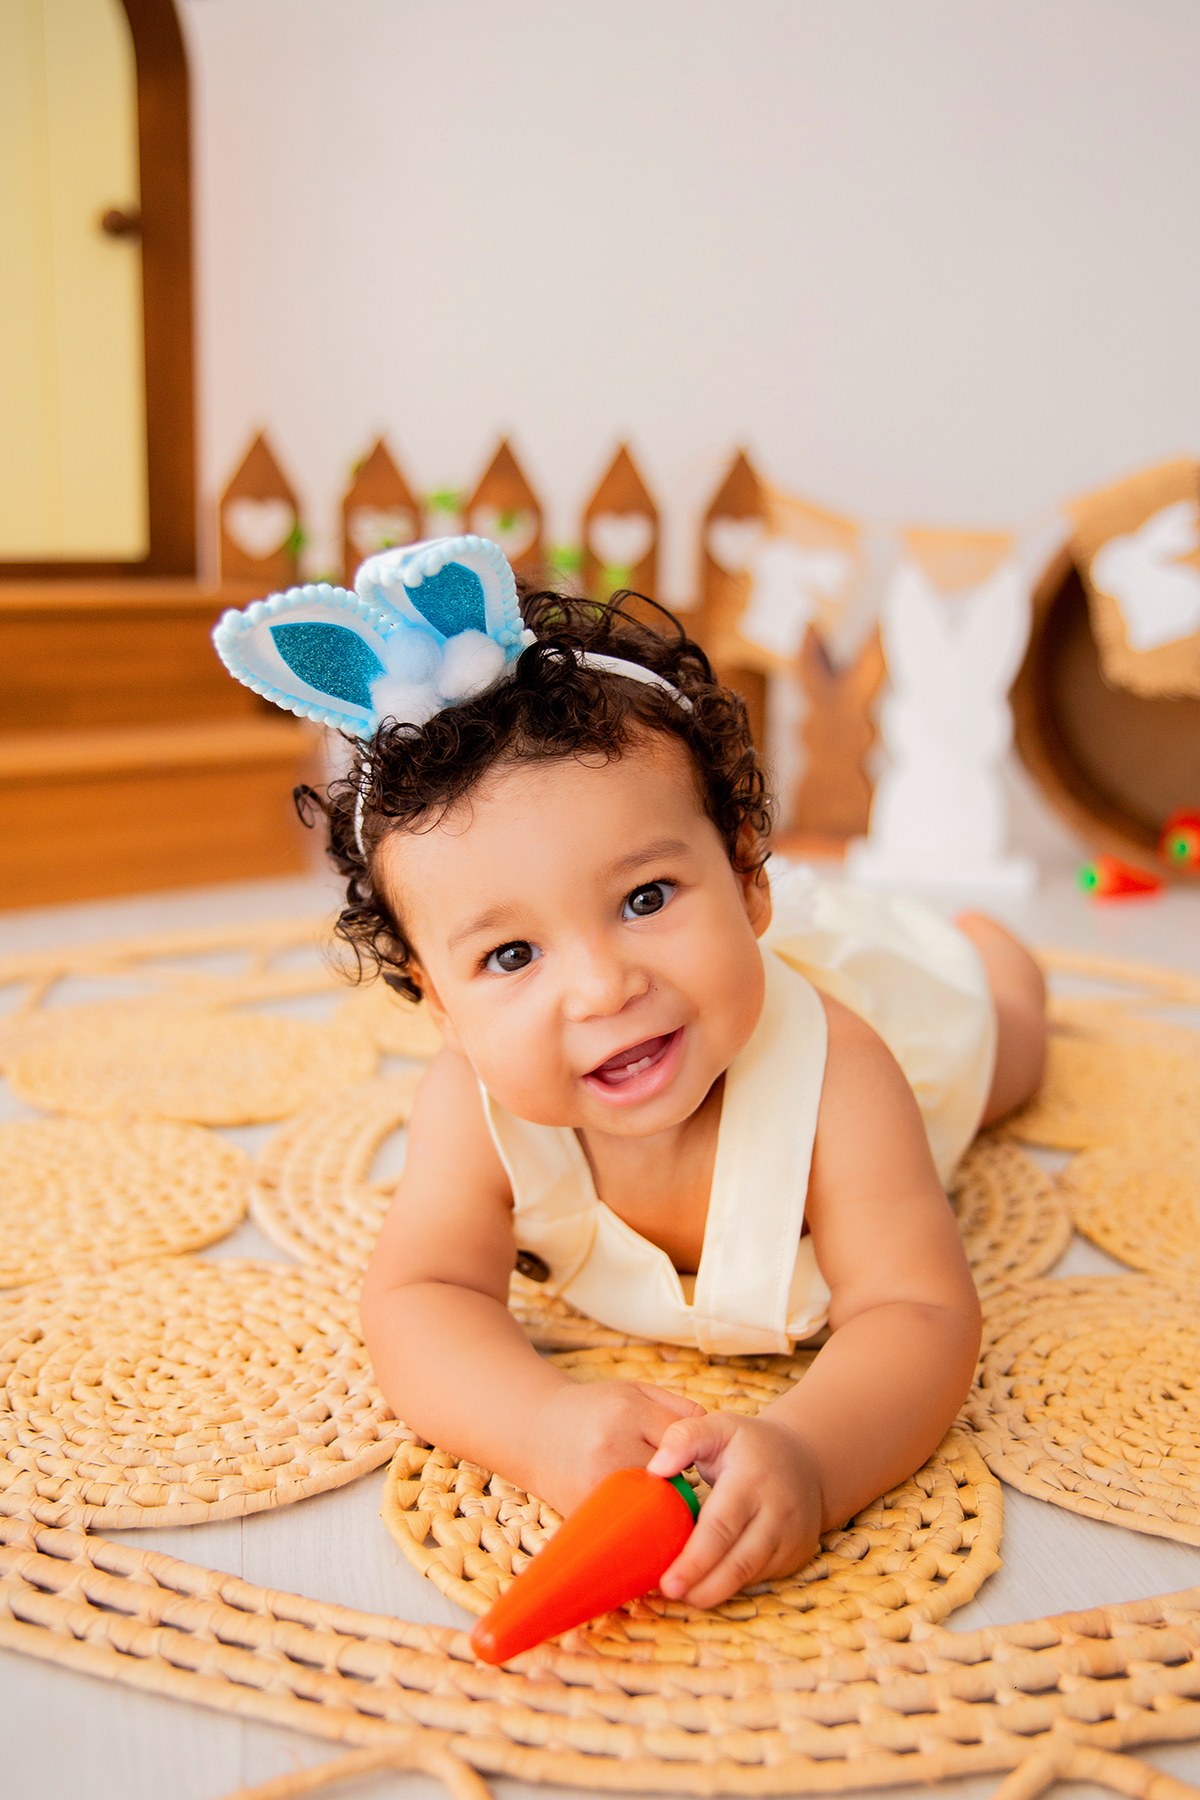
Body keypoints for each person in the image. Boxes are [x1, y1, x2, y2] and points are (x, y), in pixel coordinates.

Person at [214, 535, 1046, 1611]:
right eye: (510, 957)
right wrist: (543, 1425)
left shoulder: (844, 1069)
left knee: (1009, 1044)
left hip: (915, 1019)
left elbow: (918, 1310)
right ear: (438, 1003)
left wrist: (811, 1453)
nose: (602, 989)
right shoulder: (472, 1107)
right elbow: (419, 1296)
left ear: (748, 874)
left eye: (647, 898)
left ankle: (994, 953)